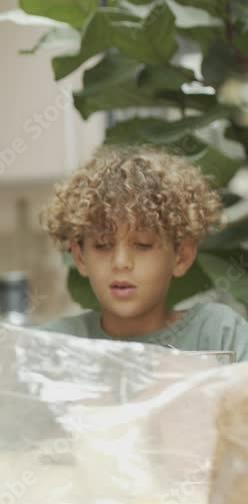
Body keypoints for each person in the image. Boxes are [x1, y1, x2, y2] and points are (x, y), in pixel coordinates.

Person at [40, 145, 248, 360]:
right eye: (102, 245)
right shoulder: (55, 347)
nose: (121, 263)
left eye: (143, 245)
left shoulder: (218, 334)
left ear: (183, 255)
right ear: (80, 255)